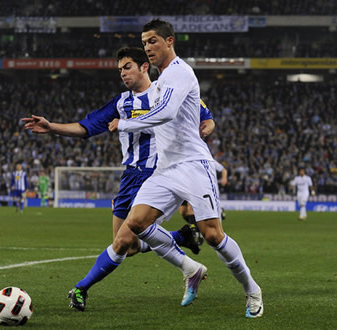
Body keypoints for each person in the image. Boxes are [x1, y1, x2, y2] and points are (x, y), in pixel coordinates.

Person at [23, 46, 213, 310]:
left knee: (123, 239)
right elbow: (85, 127)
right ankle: (182, 237)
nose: (122, 73)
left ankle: (80, 289)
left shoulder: (165, 90)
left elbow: (205, 114)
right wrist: (51, 126)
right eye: (119, 69)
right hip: (129, 176)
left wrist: (206, 127)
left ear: (144, 66)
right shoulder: (120, 103)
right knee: (129, 246)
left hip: (156, 175)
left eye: (127, 67)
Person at [105, 19, 263, 318]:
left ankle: (252, 289)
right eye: (145, 42)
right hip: (165, 169)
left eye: (153, 41)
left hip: (192, 165)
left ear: (170, 41)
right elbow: (185, 106)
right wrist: (207, 116)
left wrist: (125, 123)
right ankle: (189, 268)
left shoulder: (180, 71)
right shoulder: (161, 80)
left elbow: (165, 112)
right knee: (135, 225)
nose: (148, 47)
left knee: (214, 235)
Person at [181, 159, 228, 245]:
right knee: (183, 212)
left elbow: (223, 170)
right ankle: (218, 212)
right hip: (184, 185)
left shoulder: (208, 159)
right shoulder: (184, 157)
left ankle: (196, 233)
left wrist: (224, 178)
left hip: (200, 188)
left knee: (192, 208)